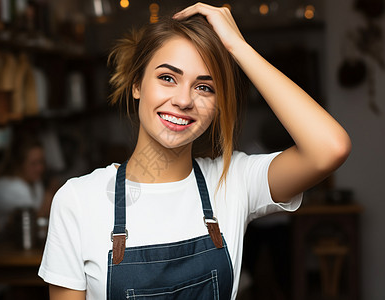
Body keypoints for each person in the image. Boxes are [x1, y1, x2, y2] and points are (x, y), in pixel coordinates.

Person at [38, 3, 351, 300]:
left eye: (204, 87)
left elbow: (329, 148)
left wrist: (237, 46)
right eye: (167, 78)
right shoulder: (78, 201)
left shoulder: (232, 182)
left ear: (217, 105)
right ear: (137, 85)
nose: (184, 100)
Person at [0, 131, 58, 230]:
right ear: (19, 163)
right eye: (33, 163)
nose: (40, 168)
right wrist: (50, 193)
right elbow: (31, 221)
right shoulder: (7, 187)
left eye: (41, 161)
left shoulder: (35, 182)